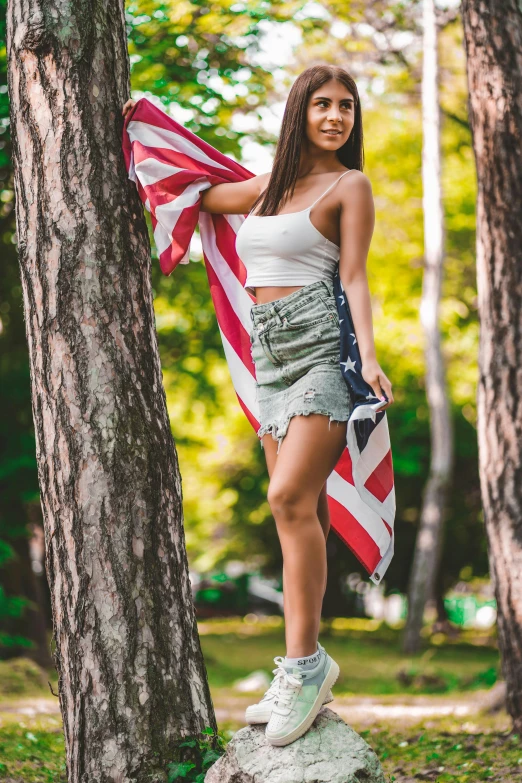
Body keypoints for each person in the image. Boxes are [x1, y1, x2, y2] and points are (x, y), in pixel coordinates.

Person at [122, 63, 393, 747]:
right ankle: (300, 661)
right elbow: (201, 193)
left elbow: (355, 276)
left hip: (321, 353)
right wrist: (138, 125)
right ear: (299, 109)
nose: (335, 116)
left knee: (286, 497)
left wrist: (368, 355)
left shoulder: (348, 185)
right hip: (268, 357)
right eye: (323, 104)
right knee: (301, 511)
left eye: (346, 107)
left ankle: (306, 666)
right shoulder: (269, 187)